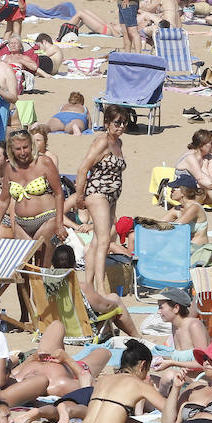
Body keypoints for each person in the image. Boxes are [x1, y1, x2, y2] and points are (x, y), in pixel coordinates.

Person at [66, 339, 178, 423]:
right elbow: (170, 416)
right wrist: (176, 388)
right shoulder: (138, 384)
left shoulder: (103, 380)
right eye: (147, 370)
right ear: (142, 365)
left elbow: (119, 420)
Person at [77, 105, 128, 306]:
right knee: (105, 240)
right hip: (97, 193)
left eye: (124, 123)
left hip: (111, 196)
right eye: (117, 123)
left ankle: (88, 285)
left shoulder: (119, 142)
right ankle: (100, 287)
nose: (121, 126)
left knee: (98, 241)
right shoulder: (102, 141)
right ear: (107, 123)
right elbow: (83, 168)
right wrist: (80, 198)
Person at [0, 128, 67, 243]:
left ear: (31, 146)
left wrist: (59, 223)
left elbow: (59, 193)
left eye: (25, 147)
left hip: (46, 219)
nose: (23, 152)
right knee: (24, 260)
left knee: (42, 259)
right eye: (18, 149)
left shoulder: (44, 162)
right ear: (11, 150)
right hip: (20, 224)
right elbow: (4, 201)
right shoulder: (10, 168)